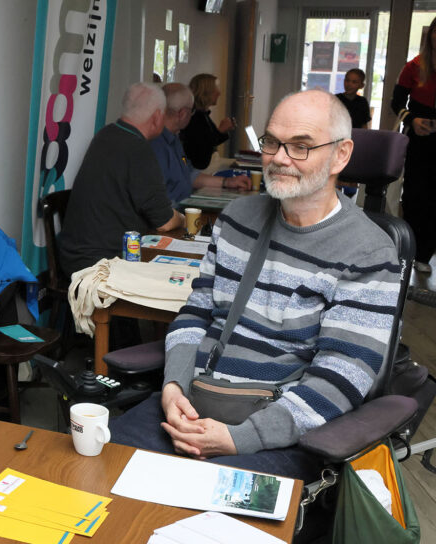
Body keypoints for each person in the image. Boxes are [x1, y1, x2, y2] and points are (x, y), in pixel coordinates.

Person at [111, 90, 400, 482]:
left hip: (281, 431)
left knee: (198, 524)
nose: (279, 158)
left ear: (341, 154)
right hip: (195, 401)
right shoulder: (236, 218)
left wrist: (241, 438)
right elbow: (195, 313)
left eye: (301, 146)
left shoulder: (369, 252)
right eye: (271, 142)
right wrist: (174, 387)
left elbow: (343, 374)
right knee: (101, 475)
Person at [58, 82, 183, 278]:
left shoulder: (106, 134)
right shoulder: (138, 150)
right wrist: (182, 218)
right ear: (158, 117)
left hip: (75, 255)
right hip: (102, 263)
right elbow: (165, 222)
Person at [151, 83, 252, 205]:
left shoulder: (174, 139)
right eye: (191, 110)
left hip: (184, 208)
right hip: (172, 216)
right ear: (182, 114)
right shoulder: (155, 144)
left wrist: (227, 182)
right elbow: (154, 201)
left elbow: (190, 175)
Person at [391, 17, 436, 274]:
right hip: (418, 136)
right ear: (430, 35)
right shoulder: (414, 66)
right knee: (415, 193)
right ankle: (409, 249)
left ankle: (425, 254)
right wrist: (412, 119)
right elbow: (396, 102)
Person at [181, 73, 236, 170]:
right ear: (206, 92)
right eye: (216, 89)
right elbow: (201, 151)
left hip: (207, 166)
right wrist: (220, 131)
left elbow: (209, 140)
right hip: (199, 170)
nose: (219, 93)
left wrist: (222, 131)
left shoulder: (202, 115)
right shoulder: (193, 117)